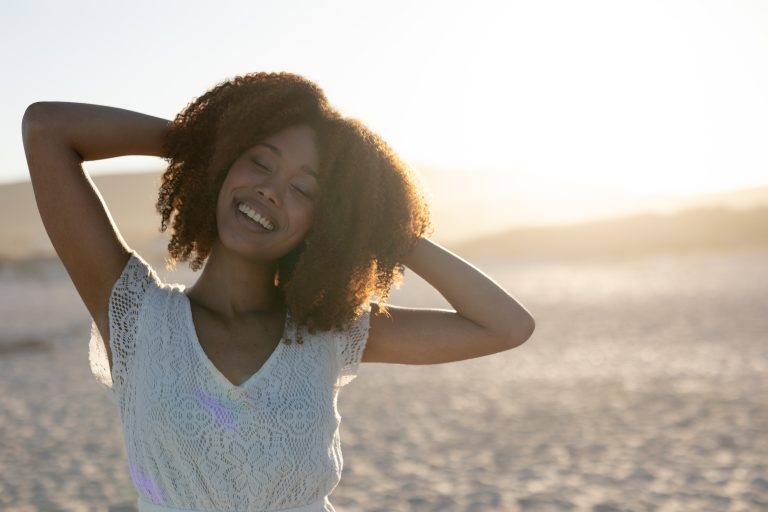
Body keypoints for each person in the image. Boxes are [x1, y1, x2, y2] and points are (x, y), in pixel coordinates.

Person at [21, 71, 535, 512]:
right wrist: (204, 144)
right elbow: (46, 128)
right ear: (224, 168)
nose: (271, 190)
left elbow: (505, 326)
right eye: (259, 162)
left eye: (304, 189)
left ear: (322, 221)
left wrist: (379, 223)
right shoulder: (134, 315)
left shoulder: (330, 332)